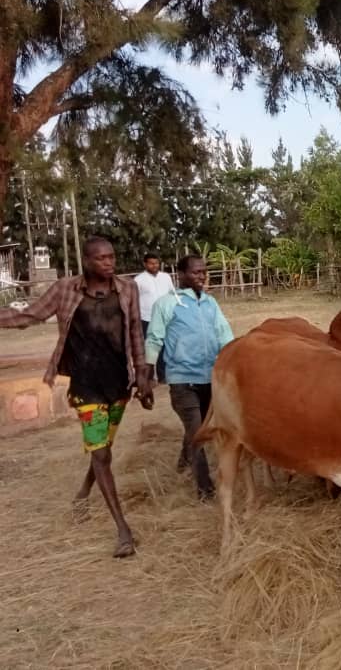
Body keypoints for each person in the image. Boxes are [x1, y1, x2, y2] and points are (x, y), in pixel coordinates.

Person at [0, 236, 152, 558]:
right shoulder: (65, 289)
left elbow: (136, 330)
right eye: (101, 258)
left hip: (118, 384)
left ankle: (84, 490)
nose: (109, 263)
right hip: (85, 387)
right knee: (100, 454)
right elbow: (30, 315)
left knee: (104, 449)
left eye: (112, 257)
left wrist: (142, 374)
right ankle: (123, 531)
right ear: (87, 260)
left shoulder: (127, 289)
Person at [145, 254, 233, 500]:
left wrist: (235, 358)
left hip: (210, 378)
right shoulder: (167, 304)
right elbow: (154, 339)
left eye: (203, 272)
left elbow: (224, 334)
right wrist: (146, 374)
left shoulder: (210, 303)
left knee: (200, 426)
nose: (201, 276)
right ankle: (205, 488)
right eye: (195, 272)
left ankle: (183, 462)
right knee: (198, 433)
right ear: (181, 275)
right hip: (183, 379)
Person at [134, 252, 174, 340]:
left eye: (156, 263)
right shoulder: (138, 280)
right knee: (150, 345)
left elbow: (172, 294)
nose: (154, 265)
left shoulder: (166, 277)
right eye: (151, 263)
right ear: (145, 264)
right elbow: (134, 300)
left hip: (166, 318)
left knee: (167, 343)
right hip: (147, 318)